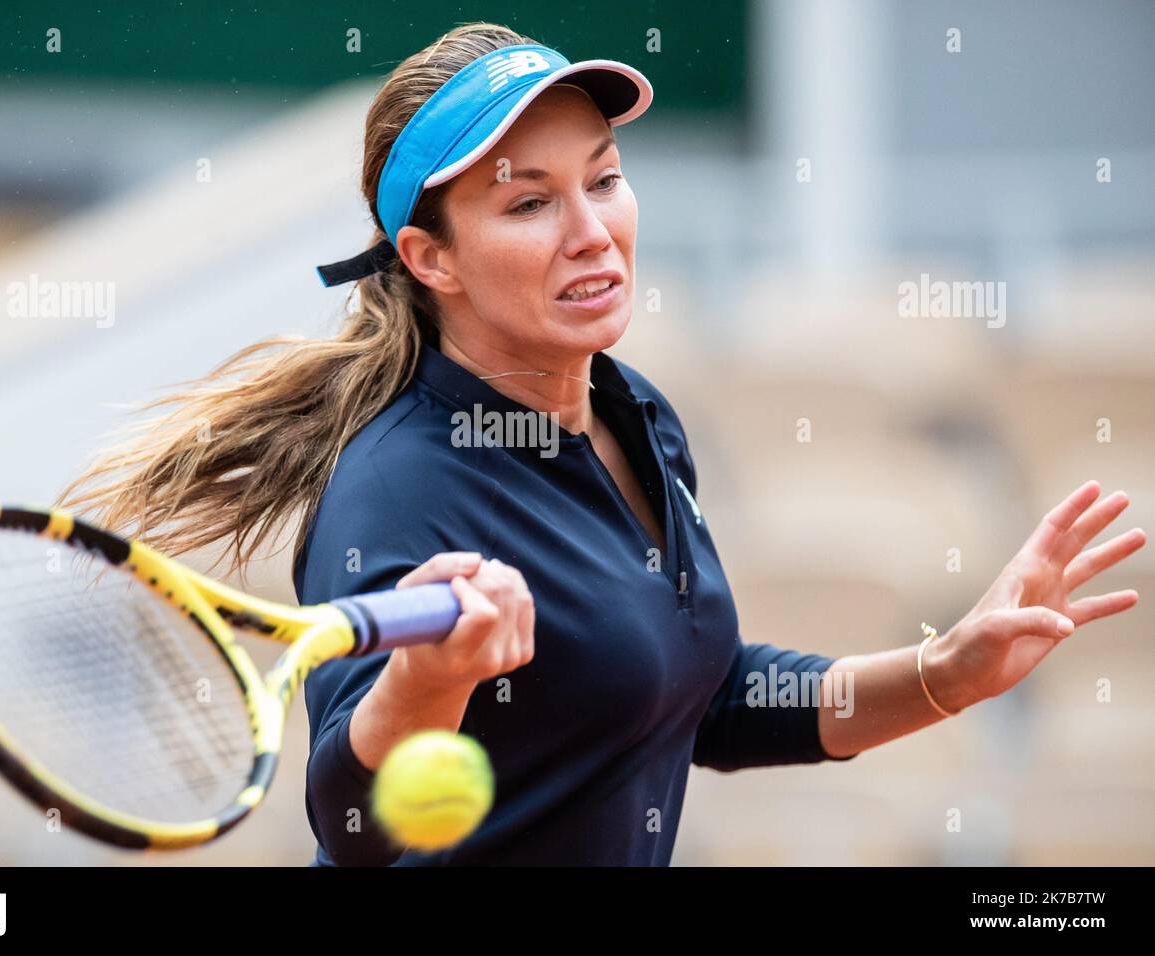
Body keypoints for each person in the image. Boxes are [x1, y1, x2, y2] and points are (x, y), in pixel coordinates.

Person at [56, 23, 1146, 866]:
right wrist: (424, 686)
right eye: (529, 202)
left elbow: (699, 696)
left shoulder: (637, 413)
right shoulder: (397, 488)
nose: (592, 229)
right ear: (428, 256)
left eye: (604, 178)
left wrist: (944, 672)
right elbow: (350, 817)